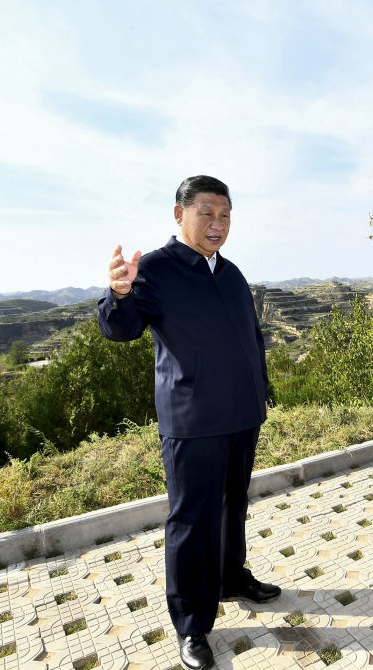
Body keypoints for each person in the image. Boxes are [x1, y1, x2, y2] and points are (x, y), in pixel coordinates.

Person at [97, 175, 278, 670]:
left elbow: (252, 337)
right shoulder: (155, 269)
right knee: (192, 520)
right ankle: (192, 625)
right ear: (180, 215)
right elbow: (121, 328)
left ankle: (230, 578)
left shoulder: (231, 272)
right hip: (193, 420)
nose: (217, 224)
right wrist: (118, 294)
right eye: (207, 213)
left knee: (233, 504)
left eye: (225, 215)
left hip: (242, 415)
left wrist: (261, 392)